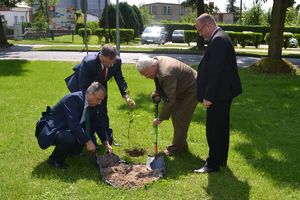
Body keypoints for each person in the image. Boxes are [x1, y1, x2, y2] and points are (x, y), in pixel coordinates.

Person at [194, 13, 242, 173]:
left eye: (200, 30)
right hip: (223, 93)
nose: (200, 34)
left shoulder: (218, 40)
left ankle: (213, 163)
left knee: (214, 129)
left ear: (208, 25)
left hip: (218, 95)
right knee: (221, 128)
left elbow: (215, 72)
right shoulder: (220, 37)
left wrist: (208, 96)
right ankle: (221, 159)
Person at [65, 44, 135, 146]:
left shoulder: (117, 62)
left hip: (100, 86)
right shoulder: (88, 62)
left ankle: (107, 139)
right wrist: (90, 100)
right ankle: (88, 139)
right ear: (100, 56)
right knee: (87, 112)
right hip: (81, 86)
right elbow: (83, 85)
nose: (110, 66)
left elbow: (120, 79)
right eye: (107, 63)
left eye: (112, 63)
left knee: (103, 112)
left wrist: (126, 97)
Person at [35, 82, 112, 169]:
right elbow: (74, 124)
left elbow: (98, 124)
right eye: (98, 99)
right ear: (90, 93)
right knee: (69, 138)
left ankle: (69, 153)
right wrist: (88, 141)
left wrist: (106, 142)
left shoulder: (93, 105)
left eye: (101, 100)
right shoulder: (73, 99)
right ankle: (54, 161)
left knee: (80, 140)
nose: (99, 103)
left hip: (65, 128)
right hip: (51, 128)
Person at [136, 55, 198, 156]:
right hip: (181, 85)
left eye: (146, 74)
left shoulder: (166, 73)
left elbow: (170, 100)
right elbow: (160, 80)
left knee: (180, 116)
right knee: (178, 115)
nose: (147, 77)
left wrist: (160, 119)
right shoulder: (156, 62)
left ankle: (176, 148)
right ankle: (181, 145)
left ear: (152, 66)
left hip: (191, 88)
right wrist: (157, 92)